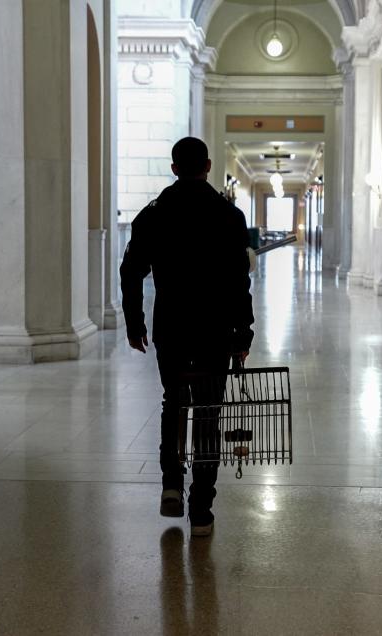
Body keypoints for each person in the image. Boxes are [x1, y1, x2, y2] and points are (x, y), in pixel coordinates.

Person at [120, 137, 254, 537]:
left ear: (174, 168)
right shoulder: (229, 216)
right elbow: (238, 282)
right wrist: (243, 332)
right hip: (215, 330)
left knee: (174, 403)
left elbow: (130, 270)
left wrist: (134, 322)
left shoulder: (155, 214)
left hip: (172, 328)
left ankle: (171, 484)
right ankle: (201, 509)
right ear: (208, 166)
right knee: (209, 413)